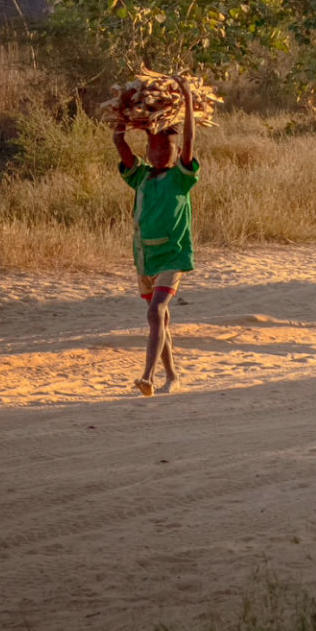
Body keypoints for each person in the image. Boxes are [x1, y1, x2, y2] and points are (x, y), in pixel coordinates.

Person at [110, 76, 201, 396]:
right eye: (154, 146)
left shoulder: (181, 178)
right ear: (147, 150)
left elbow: (189, 141)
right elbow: (119, 144)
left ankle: (147, 375)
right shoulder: (141, 177)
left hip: (173, 256)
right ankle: (171, 375)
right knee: (159, 321)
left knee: (155, 312)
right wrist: (123, 116)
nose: (160, 152)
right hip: (145, 257)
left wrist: (188, 99)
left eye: (167, 148)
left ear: (176, 154)